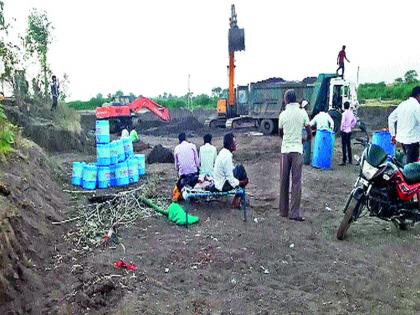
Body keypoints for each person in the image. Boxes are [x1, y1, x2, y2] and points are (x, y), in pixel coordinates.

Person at [278, 89, 312, 222]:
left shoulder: (283, 115)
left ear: (286, 100)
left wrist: (287, 139)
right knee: (296, 182)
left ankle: (283, 211)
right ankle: (294, 213)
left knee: (284, 181)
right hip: (297, 150)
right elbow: (309, 133)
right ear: (295, 99)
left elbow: (280, 134)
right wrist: (302, 140)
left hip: (285, 150)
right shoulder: (302, 113)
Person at [213, 133, 248, 207]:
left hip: (220, 182)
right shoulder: (227, 157)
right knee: (241, 172)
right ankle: (236, 201)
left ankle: (237, 200)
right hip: (222, 185)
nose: (236, 144)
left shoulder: (224, 152)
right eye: (234, 143)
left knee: (239, 170)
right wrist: (242, 182)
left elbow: (230, 170)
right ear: (230, 145)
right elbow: (230, 179)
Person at [388, 86, 420, 164]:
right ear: (419, 96)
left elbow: (391, 118)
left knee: (402, 163)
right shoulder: (417, 107)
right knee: (411, 167)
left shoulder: (402, 104)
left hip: (400, 140)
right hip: (412, 141)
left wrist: (393, 135)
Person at [339, 101, 357, 166]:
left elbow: (343, 122)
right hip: (349, 131)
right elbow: (355, 120)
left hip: (344, 131)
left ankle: (344, 160)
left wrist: (342, 128)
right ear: (349, 106)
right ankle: (350, 160)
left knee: (344, 146)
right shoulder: (351, 113)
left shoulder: (344, 114)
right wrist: (351, 126)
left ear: (344, 106)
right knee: (348, 145)